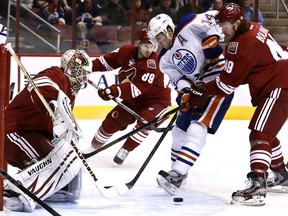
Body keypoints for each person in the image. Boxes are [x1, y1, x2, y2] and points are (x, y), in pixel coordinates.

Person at [189, 3, 288, 206]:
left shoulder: (240, 45)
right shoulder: (254, 27)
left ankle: (257, 184)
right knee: (267, 133)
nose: (221, 29)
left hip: (279, 85)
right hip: (278, 79)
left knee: (259, 133)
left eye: (224, 24)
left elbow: (226, 86)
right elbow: (250, 67)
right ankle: (281, 175)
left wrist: (203, 91)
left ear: (237, 22)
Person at [147, 12, 234, 195]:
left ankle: (178, 173)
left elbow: (217, 17)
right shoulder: (163, 60)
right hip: (196, 88)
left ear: (170, 29)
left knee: (197, 126)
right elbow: (179, 79)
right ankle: (175, 172)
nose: (159, 41)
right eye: (156, 38)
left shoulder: (189, 23)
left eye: (160, 35)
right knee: (179, 129)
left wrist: (212, 40)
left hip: (219, 81)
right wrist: (185, 93)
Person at [4, 49, 93, 212]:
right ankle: (14, 193)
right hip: (13, 133)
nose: (85, 78)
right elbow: (40, 85)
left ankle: (57, 189)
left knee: (71, 156)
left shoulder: (71, 91)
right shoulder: (56, 75)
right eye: (82, 73)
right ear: (72, 68)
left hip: (31, 135)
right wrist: (57, 100)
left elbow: (56, 123)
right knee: (62, 158)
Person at [83, 29, 171, 165]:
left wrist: (113, 91)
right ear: (139, 44)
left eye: (152, 47)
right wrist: (87, 67)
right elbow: (106, 62)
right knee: (111, 122)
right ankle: (93, 147)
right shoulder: (126, 52)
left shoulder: (152, 63)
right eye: (146, 46)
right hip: (133, 101)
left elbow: (136, 89)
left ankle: (126, 149)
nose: (149, 50)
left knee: (145, 122)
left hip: (157, 101)